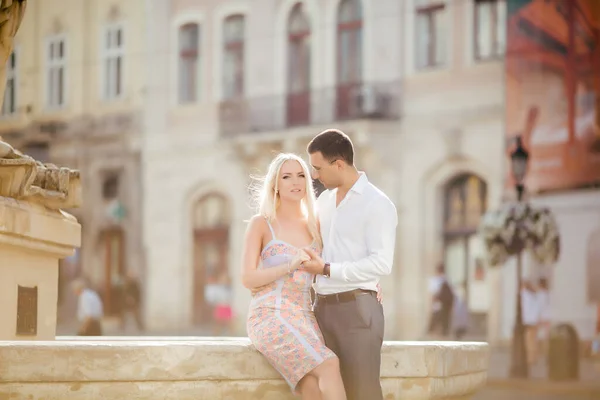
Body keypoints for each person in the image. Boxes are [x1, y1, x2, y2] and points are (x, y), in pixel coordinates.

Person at [300, 129, 398, 400]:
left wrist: (328, 269)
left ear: (339, 164)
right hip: (321, 311)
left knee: (363, 393)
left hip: (357, 312)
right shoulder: (324, 201)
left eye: (318, 168)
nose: (315, 176)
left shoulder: (378, 204)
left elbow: (382, 262)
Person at [242, 153, 347, 400]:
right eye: (286, 176)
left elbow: (337, 261)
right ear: (275, 184)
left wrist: (368, 282)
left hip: (304, 316)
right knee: (329, 364)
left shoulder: (315, 225)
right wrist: (288, 266)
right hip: (268, 314)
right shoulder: (261, 223)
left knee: (310, 387)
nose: (295, 182)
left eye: (301, 175)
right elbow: (247, 278)